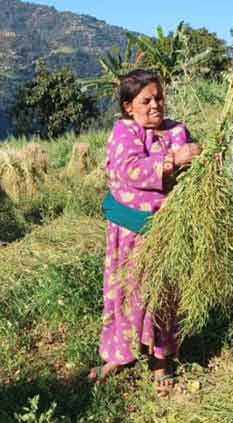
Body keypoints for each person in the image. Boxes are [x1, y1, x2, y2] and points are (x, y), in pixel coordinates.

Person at [89, 69, 202, 395]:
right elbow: (130, 169)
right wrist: (171, 160)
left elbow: (194, 164)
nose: (155, 105)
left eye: (159, 98)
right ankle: (118, 355)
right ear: (129, 106)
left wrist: (204, 157)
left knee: (163, 293)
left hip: (166, 232)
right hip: (131, 230)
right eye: (146, 100)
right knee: (123, 292)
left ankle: (162, 360)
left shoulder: (178, 130)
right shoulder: (124, 132)